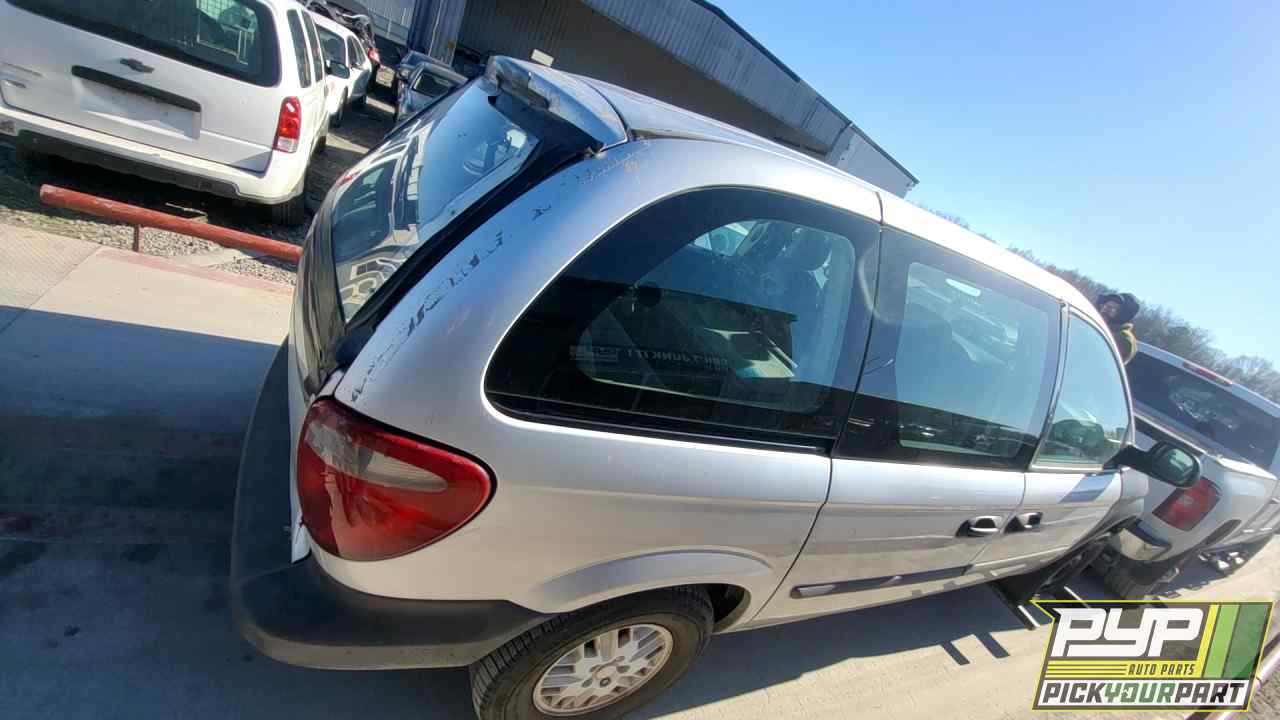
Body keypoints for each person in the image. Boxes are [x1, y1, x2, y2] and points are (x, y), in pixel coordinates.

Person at [1096, 292, 1140, 363]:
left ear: (1124, 315)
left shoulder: (1124, 339)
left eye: (1113, 308)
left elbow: (1100, 360)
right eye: (1106, 305)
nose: (1105, 310)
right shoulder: (1098, 327)